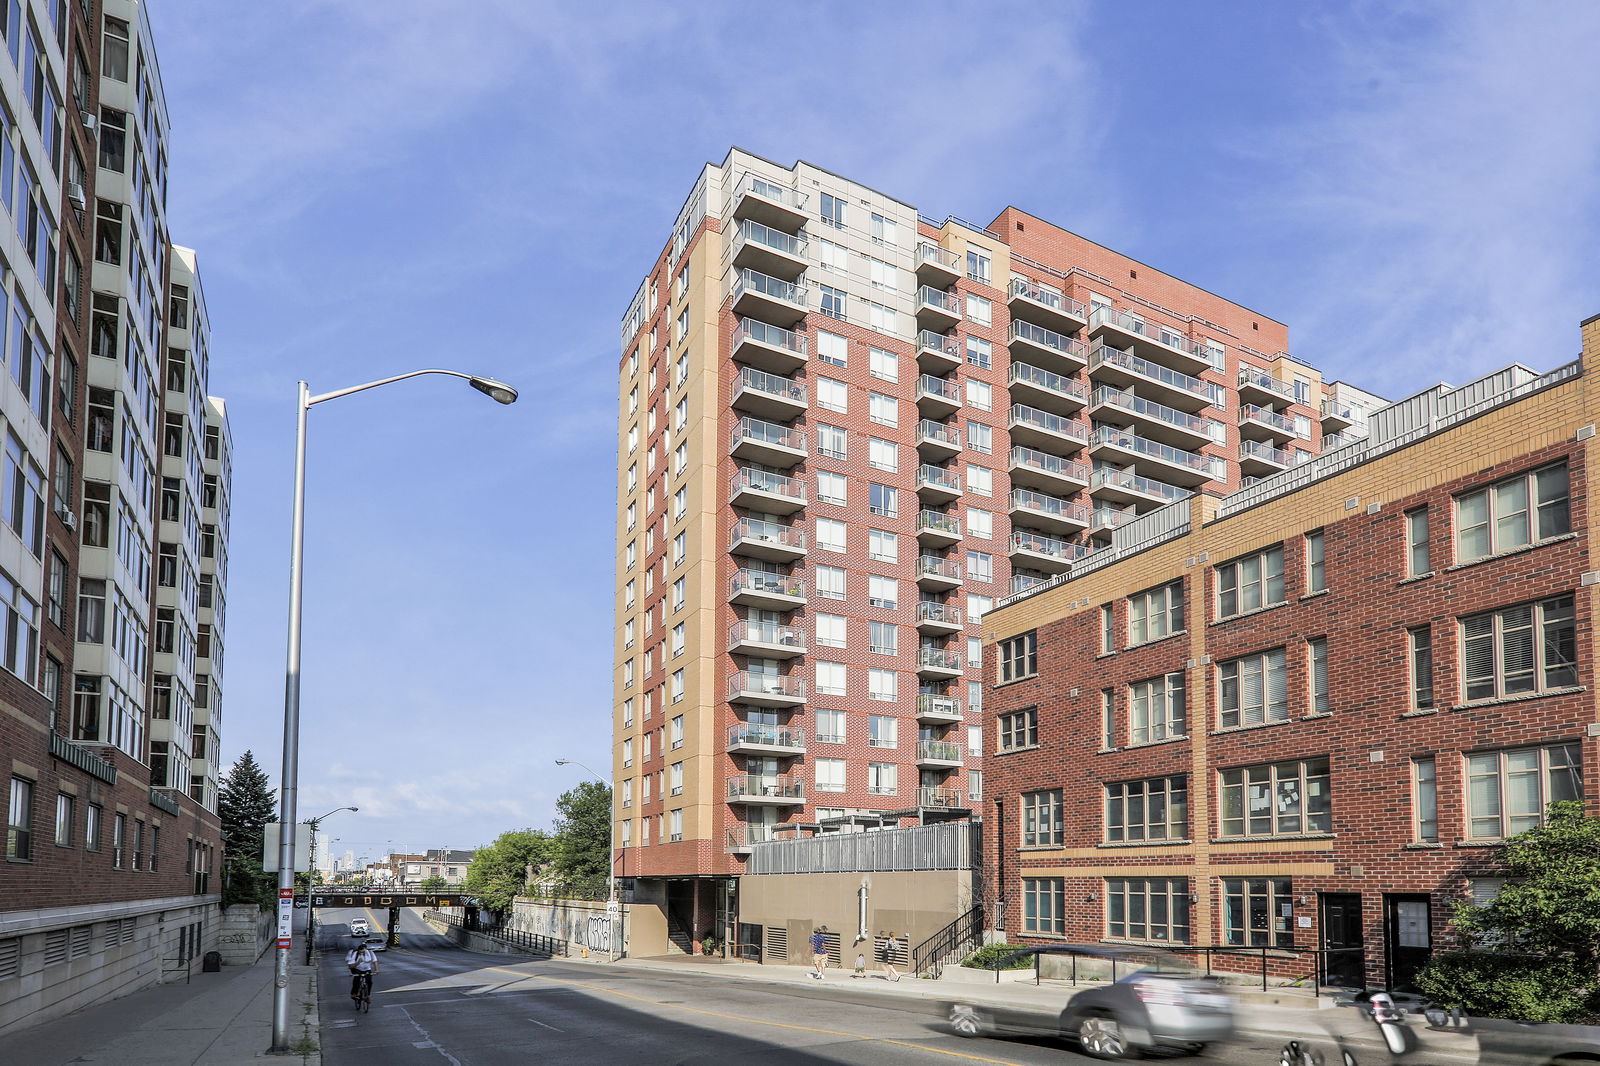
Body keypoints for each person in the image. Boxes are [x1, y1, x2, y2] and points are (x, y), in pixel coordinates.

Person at [346, 938, 380, 1003]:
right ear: (358, 950)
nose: (362, 953)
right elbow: (350, 966)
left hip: (367, 969)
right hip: (357, 969)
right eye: (360, 952)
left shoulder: (370, 953)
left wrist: (376, 970)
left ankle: (368, 996)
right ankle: (354, 993)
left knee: (369, 981)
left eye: (363, 952)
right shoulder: (355, 954)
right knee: (357, 980)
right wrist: (357, 963)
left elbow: (375, 961)